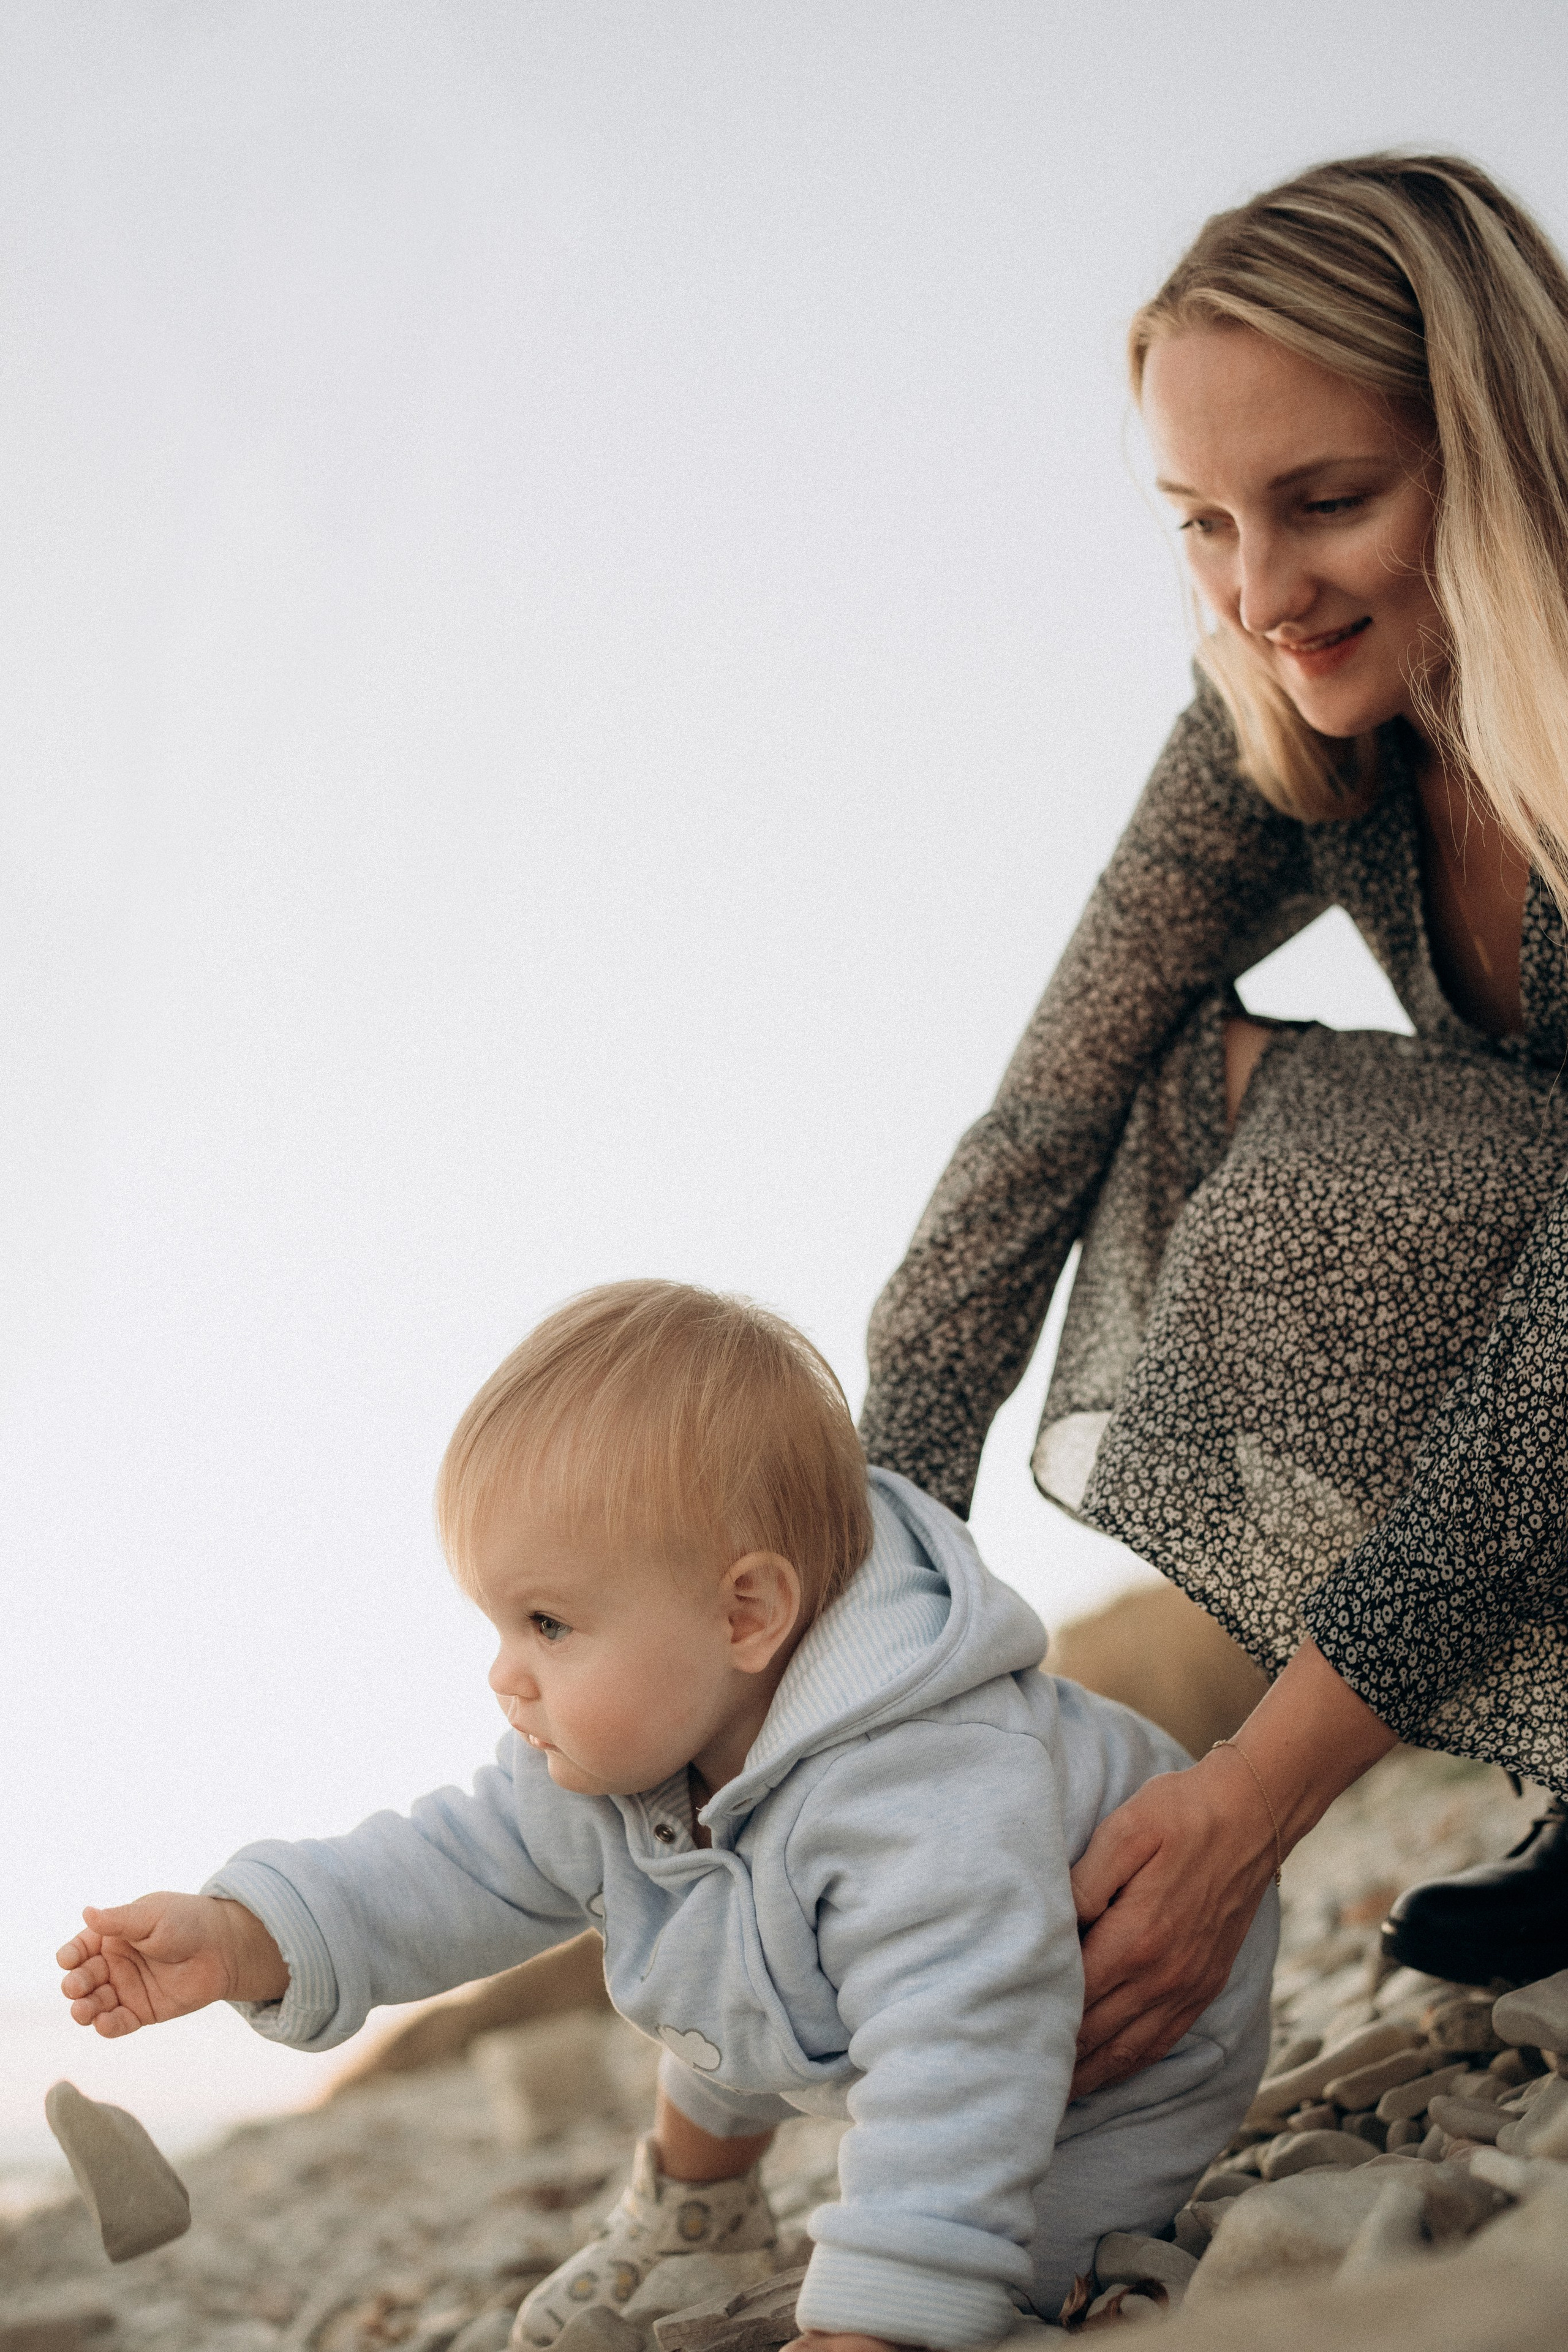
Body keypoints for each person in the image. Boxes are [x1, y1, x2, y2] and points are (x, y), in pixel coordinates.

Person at [858, 150, 1568, 2105]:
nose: (1259, 594)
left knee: (1357, 1173)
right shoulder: (1293, 718)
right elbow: (1047, 1113)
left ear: (1503, 451)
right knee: (1189, 1103)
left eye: (1330, 502)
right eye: (1202, 523)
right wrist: (864, 1606)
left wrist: (1257, 1793)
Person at [56, 1281, 1276, 2350]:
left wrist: (884, 2310)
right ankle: (699, 2212)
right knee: (694, 1932)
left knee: (1019, 2263)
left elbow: (963, 2047)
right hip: (822, 1993)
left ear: (745, 1614)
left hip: (1119, 2045)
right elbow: (444, 1869)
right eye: (499, 1624)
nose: (505, 1675)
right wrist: (247, 1935)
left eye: (547, 1624)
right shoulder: (620, 1752)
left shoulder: (922, 1786)